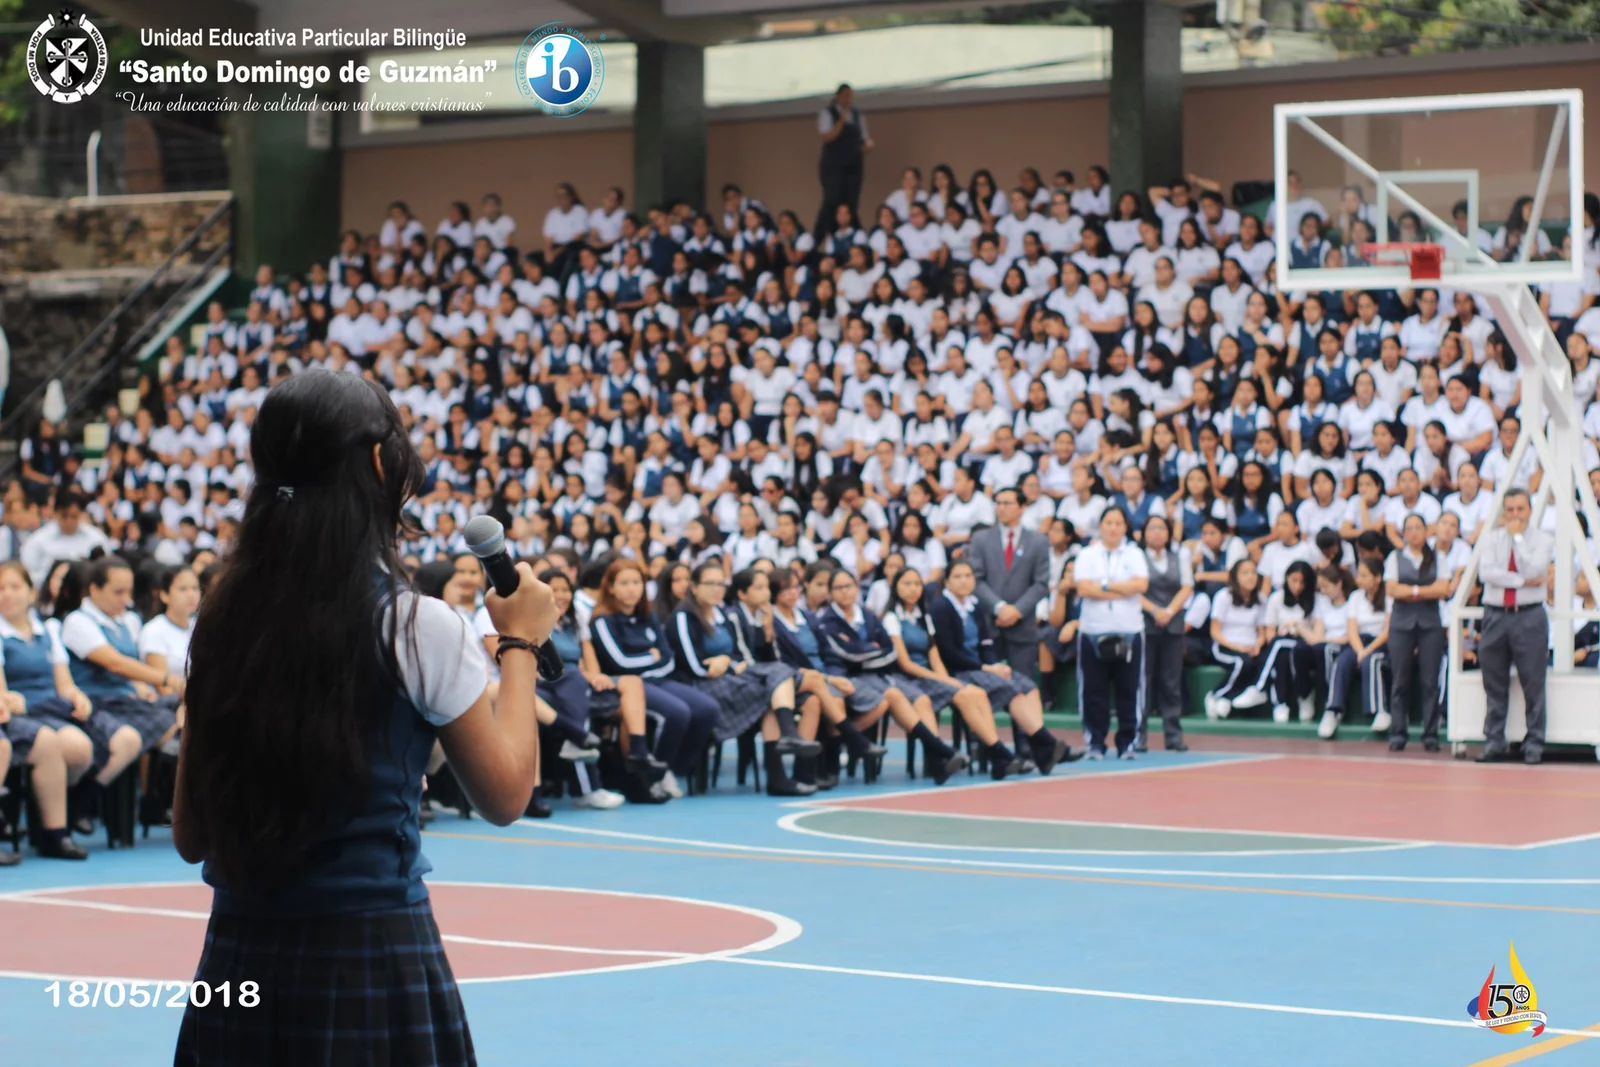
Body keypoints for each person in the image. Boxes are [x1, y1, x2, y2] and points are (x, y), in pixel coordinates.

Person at [171, 371, 559, 1065]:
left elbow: (190, 834)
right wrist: (522, 644)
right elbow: (505, 795)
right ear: (382, 465)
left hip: (237, 952)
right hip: (373, 951)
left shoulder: (220, 622)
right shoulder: (415, 625)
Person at [926, 561, 1078, 772]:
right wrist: (986, 668)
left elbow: (986, 642)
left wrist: (995, 664)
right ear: (947, 581)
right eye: (958, 576)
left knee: (1028, 686)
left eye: (968, 575)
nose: (964, 581)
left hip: (981, 667)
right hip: (960, 671)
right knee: (1011, 690)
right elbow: (950, 654)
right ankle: (1047, 744)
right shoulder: (941, 607)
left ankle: (1041, 751)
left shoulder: (974, 604)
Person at [589, 558, 719, 798]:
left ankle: (669, 770)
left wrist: (652, 661)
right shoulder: (603, 621)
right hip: (629, 687)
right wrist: (652, 658)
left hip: (658, 680)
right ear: (610, 587)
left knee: (707, 709)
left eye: (637, 582)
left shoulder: (648, 617)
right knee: (678, 712)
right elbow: (620, 662)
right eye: (625, 583)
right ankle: (650, 774)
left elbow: (668, 657)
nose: (632, 589)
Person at [0, 560, 92, 860]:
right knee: (47, 743)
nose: (7, 594)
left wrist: (77, 696)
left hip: (48, 708)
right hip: (19, 714)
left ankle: (43, 813)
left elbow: (64, 683)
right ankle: (55, 833)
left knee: (80, 749)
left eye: (15, 587)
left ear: (31, 591)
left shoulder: (47, 629)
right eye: (0, 588)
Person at [1474, 489, 1550, 764]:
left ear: (1529, 510)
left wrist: (1518, 539)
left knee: (1533, 682)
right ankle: (1494, 741)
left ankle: (1534, 744)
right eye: (1510, 510)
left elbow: (1534, 570)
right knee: (1493, 681)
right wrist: (1519, 581)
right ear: (1503, 512)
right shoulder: (1492, 538)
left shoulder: (1542, 539)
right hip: (1495, 615)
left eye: (1520, 509)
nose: (1515, 516)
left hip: (1528, 616)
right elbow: (1487, 573)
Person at [1073, 507, 1149, 758]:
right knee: (1093, 690)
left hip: (1129, 630)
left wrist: (1103, 585)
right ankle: (1095, 742)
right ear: (1101, 526)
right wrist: (1122, 588)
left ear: (1125, 527)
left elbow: (1140, 584)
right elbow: (1084, 588)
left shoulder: (1135, 554)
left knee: (1129, 689)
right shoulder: (1087, 554)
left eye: (1118, 523)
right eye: (1108, 522)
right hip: (1093, 630)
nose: (1113, 527)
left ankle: (1128, 742)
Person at [967, 486, 1051, 681]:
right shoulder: (981, 539)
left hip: (1022, 625)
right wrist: (999, 607)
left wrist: (1016, 611)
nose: (1001, 508)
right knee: (985, 688)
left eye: (1007, 503)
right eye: (998, 503)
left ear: (1022, 507)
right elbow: (975, 579)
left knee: (1023, 688)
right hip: (988, 624)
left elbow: (1041, 583)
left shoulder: (1038, 541)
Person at [1384, 513, 1451, 753]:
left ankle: (1430, 734)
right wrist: (1423, 590)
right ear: (1403, 533)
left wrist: (1410, 591)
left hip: (1430, 623)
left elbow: (1443, 588)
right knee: (1400, 679)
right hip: (1401, 624)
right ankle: (1398, 733)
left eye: (1418, 528)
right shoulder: (1394, 557)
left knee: (1429, 680)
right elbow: (1392, 589)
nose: (1413, 532)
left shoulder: (1438, 557)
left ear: (1426, 531)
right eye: (1409, 528)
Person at [1138, 514, 1192, 750]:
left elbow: (1187, 586)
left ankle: (1173, 734)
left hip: (1173, 624)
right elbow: (1134, 588)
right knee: (1143, 680)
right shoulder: (1136, 556)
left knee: (1171, 682)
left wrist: (1169, 611)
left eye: (1162, 528)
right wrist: (1154, 610)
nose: (1157, 532)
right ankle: (1138, 735)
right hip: (1145, 623)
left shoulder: (1180, 555)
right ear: (1143, 533)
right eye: (1152, 528)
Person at [815, 84, 873, 237]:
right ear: (837, 96)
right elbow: (827, 136)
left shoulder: (857, 115)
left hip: (853, 164)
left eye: (850, 96)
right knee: (832, 201)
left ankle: (853, 235)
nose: (848, 99)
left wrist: (867, 145)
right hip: (833, 165)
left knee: (851, 202)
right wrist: (841, 120)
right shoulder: (828, 113)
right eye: (845, 95)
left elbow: (864, 139)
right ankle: (820, 236)